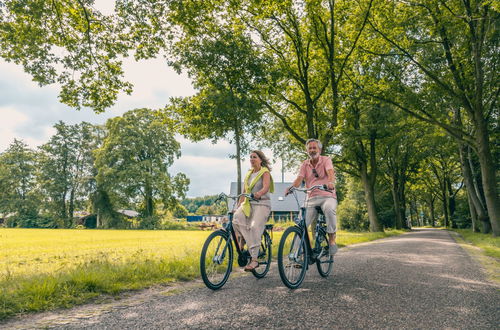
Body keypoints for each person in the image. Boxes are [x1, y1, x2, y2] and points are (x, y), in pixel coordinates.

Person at [286, 139, 338, 256]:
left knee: (329, 209)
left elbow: (330, 172)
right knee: (301, 223)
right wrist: (291, 187)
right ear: (307, 150)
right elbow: (299, 179)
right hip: (311, 197)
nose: (312, 150)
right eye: (310, 148)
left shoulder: (326, 160)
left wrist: (330, 182)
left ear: (319, 149)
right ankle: (295, 255)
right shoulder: (305, 164)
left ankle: (331, 239)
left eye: (314, 148)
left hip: (327, 195)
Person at [233, 150, 274, 271]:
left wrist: (258, 193)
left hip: (262, 203)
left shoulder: (264, 172)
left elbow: (266, 187)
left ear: (260, 160)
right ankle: (243, 242)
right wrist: (238, 206)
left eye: (254, 157)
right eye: (250, 157)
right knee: (236, 219)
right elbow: (244, 192)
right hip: (248, 204)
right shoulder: (249, 174)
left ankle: (254, 260)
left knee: (255, 227)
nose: (251, 159)